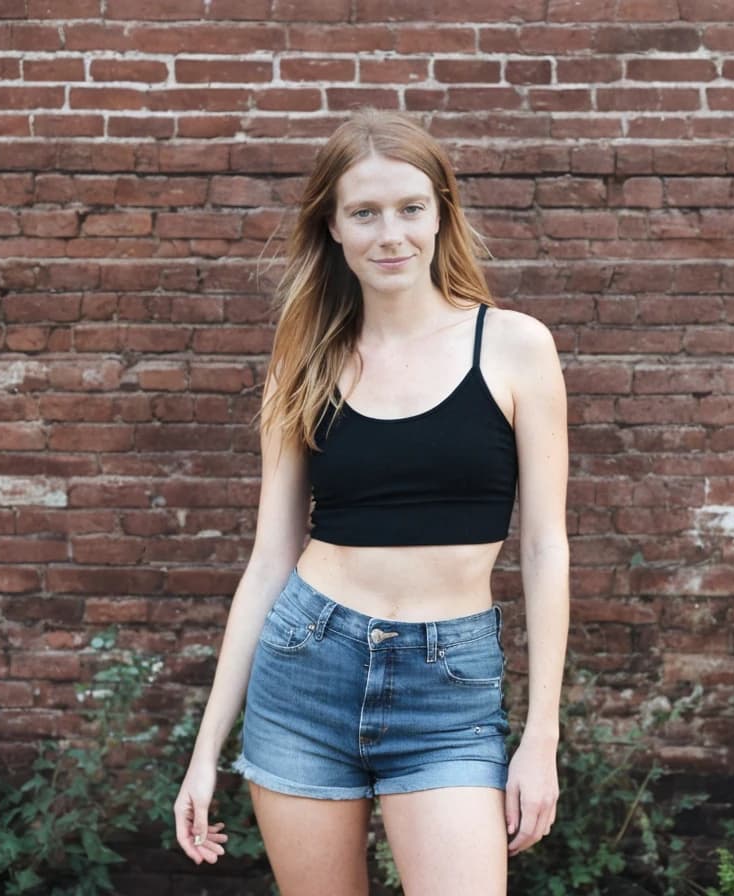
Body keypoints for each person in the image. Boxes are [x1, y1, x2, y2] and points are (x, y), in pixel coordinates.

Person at [171, 108, 570, 896]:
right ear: (334, 228)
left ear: (440, 216)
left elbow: (544, 547)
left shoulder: (516, 346)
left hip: (448, 686)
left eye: (410, 208)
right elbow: (269, 561)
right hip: (306, 668)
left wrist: (542, 736)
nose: (391, 234)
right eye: (365, 212)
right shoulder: (305, 358)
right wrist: (204, 748)